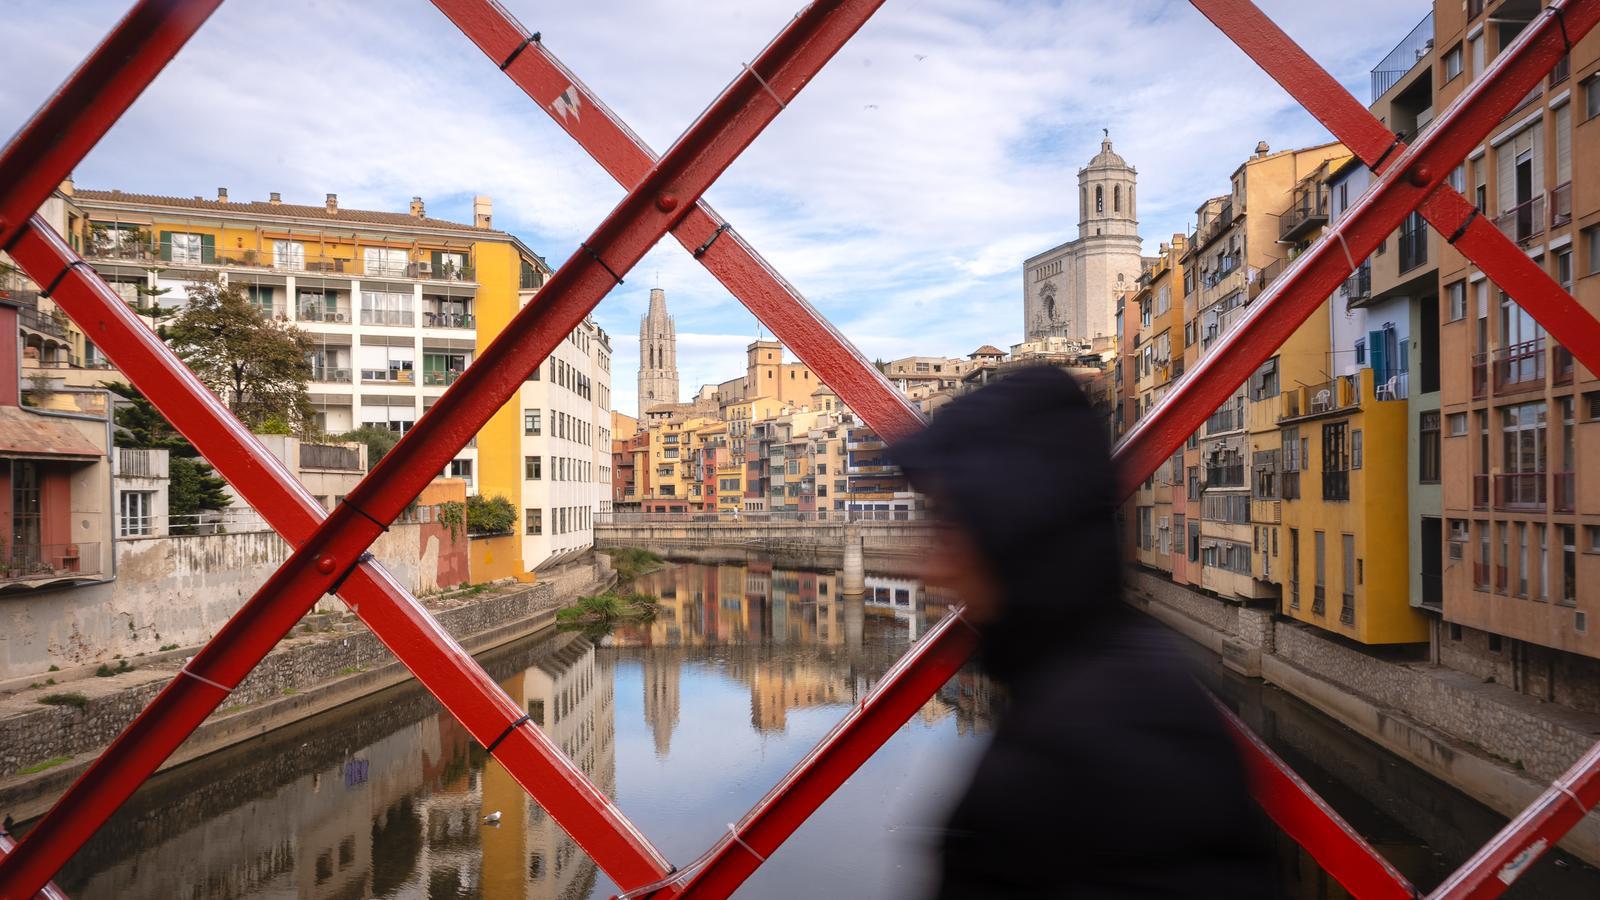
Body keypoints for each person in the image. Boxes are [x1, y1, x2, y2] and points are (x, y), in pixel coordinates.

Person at [891, 365, 1280, 898]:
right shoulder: (1122, 700)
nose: (932, 568)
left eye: (952, 526)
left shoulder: (1075, 756)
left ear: (1013, 534)